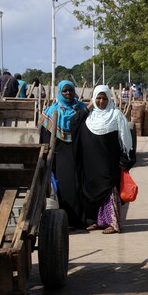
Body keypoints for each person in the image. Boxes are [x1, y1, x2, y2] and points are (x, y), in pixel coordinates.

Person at [71, 85, 135, 234]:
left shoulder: (116, 115)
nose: (101, 101)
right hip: (90, 163)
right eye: (98, 98)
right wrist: (88, 107)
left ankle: (113, 223)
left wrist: (124, 159)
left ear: (109, 99)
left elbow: (125, 140)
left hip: (109, 163)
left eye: (104, 98)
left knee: (108, 190)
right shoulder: (88, 116)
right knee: (90, 191)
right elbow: (73, 123)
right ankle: (94, 221)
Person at [40, 80, 87, 227]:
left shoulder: (82, 109)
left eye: (70, 90)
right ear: (60, 92)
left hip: (80, 152)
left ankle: (82, 220)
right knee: (66, 185)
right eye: (65, 91)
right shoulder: (50, 112)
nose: (68, 93)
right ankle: (67, 219)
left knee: (81, 184)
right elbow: (45, 138)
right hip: (61, 154)